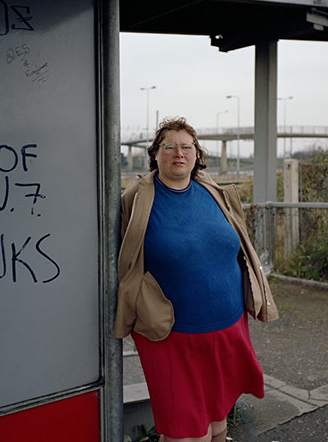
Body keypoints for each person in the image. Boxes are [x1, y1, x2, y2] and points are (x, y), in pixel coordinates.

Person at [115, 117, 278, 442]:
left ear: (196, 154)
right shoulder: (136, 199)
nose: (179, 153)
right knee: (186, 433)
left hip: (226, 328)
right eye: (169, 147)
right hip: (171, 335)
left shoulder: (214, 192)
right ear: (155, 154)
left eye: (186, 147)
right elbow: (124, 260)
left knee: (218, 422)